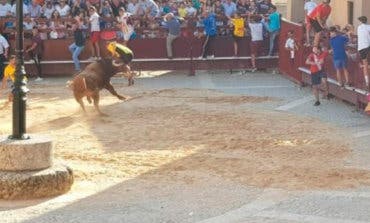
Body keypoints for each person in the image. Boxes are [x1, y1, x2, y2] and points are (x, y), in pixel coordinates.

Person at [357, 16, 370, 91]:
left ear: (361, 21)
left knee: (365, 65)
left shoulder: (359, 27)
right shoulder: (368, 27)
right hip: (367, 46)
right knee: (366, 65)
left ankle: (367, 83)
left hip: (361, 48)